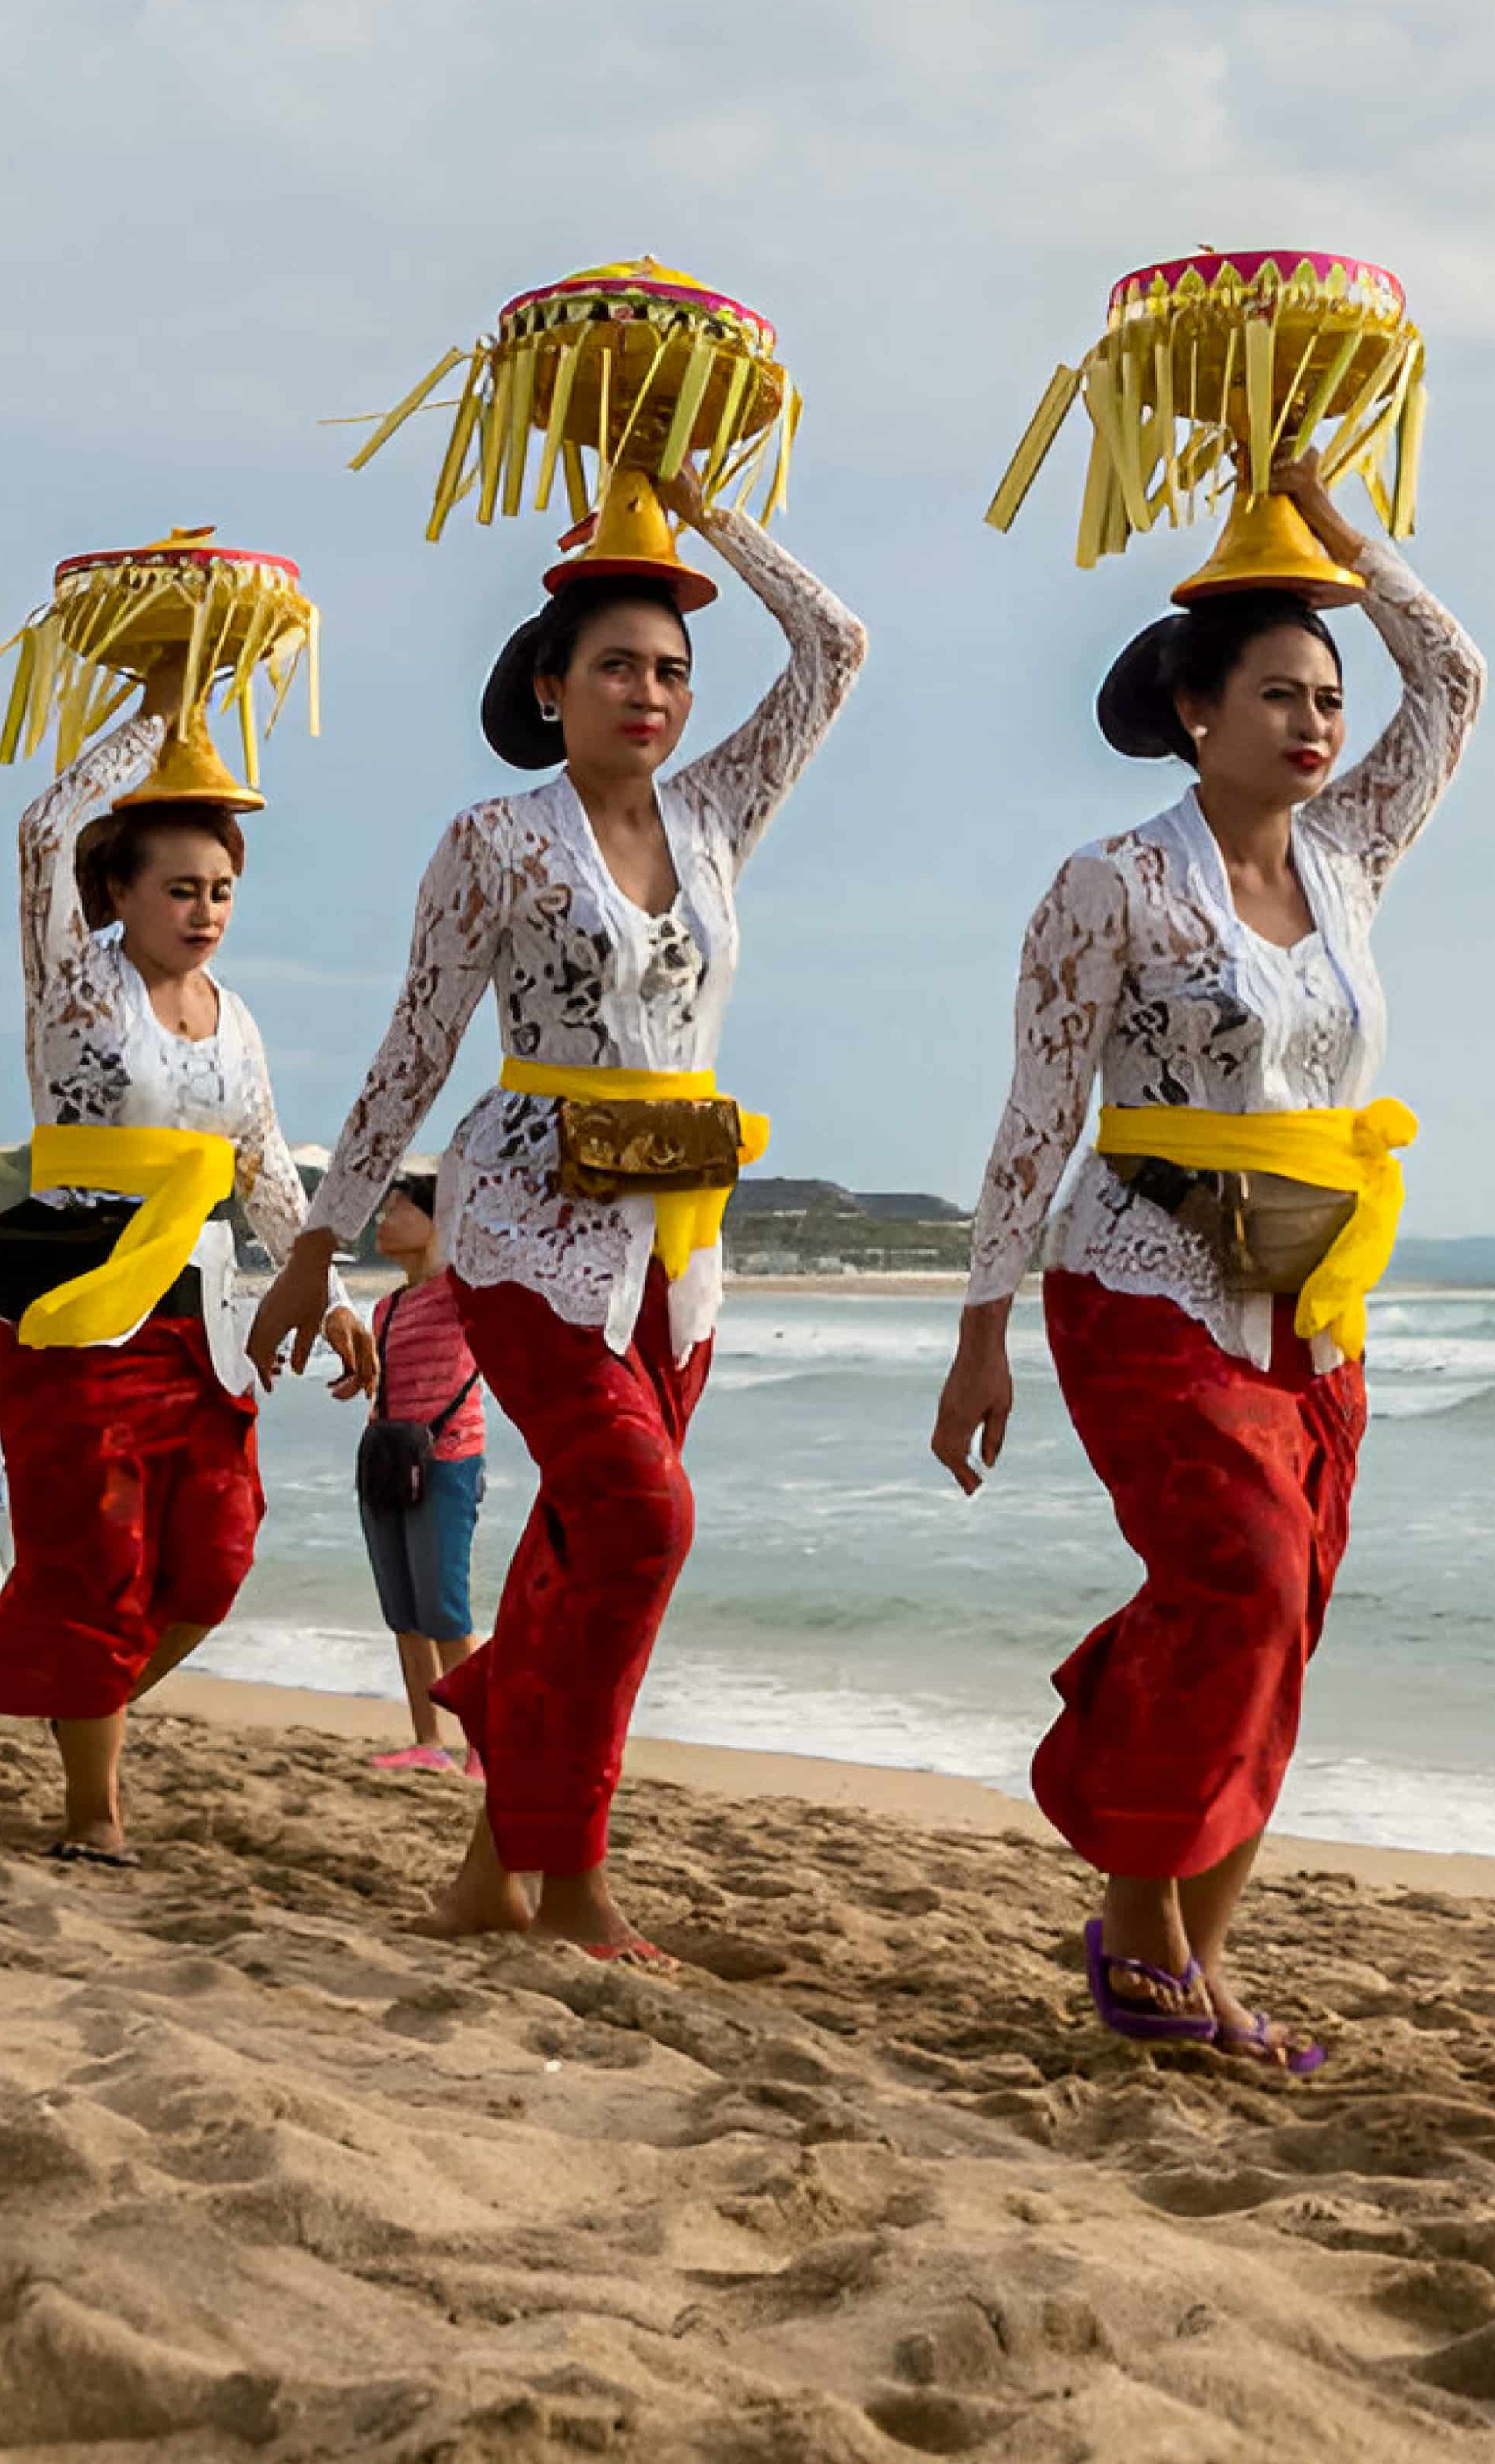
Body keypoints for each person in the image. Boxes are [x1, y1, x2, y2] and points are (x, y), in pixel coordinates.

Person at [933, 455, 1481, 2072]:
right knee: (1239, 1578)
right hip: (1141, 1281)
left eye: (1326, 698)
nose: (1319, 726)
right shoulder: (1108, 886)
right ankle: (1141, 1921)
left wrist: (1327, 516)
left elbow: (1450, 676)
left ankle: (1199, 1956)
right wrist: (982, 1331)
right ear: (1193, 711)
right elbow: (1037, 1114)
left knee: (1281, 1615)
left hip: (1312, 1298)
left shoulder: (1353, 856)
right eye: (1280, 697)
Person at [270, 471, 864, 1960]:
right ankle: (577, 1878)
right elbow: (412, 1048)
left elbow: (836, 648)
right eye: (616, 663)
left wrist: (703, 509)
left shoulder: (719, 813)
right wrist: (312, 1246)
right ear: (551, 685)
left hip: (675, 1246)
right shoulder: (496, 840)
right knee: (643, 1519)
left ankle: (489, 1873)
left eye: (672, 668)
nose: (649, 691)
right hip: (527, 1226)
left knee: (574, 1554)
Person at [0, 707, 352, 1864]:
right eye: (179, 889)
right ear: (121, 895)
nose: (204, 911)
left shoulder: (241, 1024)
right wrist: (156, 722)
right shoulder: (77, 990)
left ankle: (82, 1692)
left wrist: (327, 1296)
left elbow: (269, 1172)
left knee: (217, 1559)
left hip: (198, 1326)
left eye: (221, 889)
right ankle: (95, 1807)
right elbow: (41, 832)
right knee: (100, 1561)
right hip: (76, 1312)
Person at [354, 1173, 486, 1775]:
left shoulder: (467, 1293)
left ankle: (485, 1747)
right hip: (387, 1462)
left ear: (440, 1222)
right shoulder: (386, 1306)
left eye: (400, 1209)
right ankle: (428, 1742)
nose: (385, 1221)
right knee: (403, 1613)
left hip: (449, 1463)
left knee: (446, 1613)